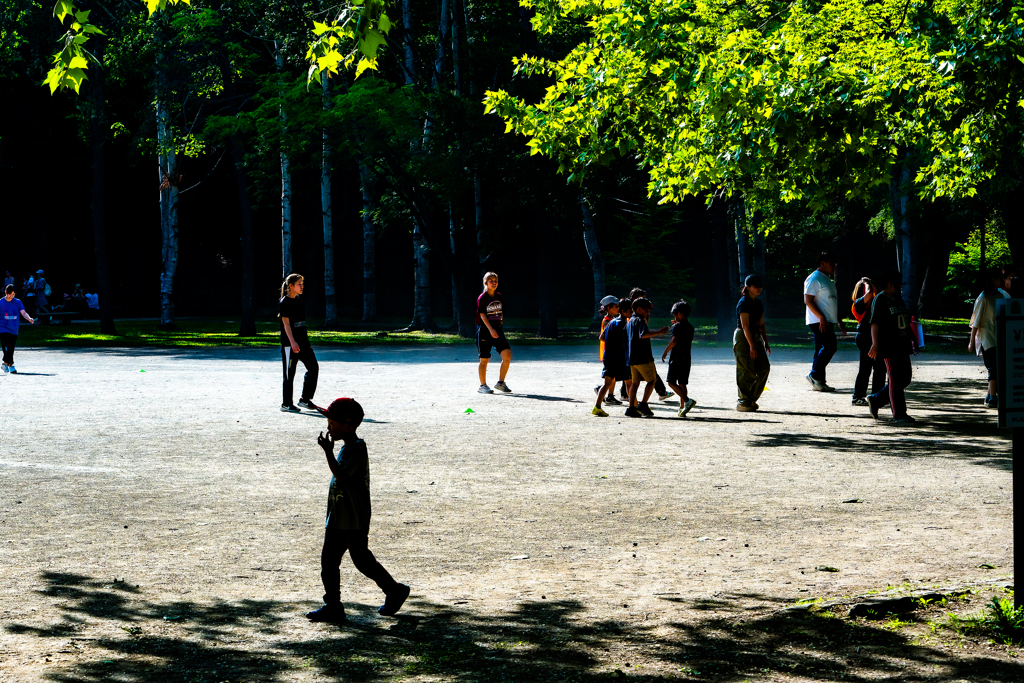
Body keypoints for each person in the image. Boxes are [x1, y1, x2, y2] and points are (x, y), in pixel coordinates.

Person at [305, 397, 410, 623]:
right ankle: (337, 604)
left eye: (332, 424)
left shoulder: (357, 448)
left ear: (347, 426)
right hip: (341, 518)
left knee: (353, 561)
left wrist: (327, 452)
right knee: (339, 562)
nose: (328, 428)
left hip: (351, 519)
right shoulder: (347, 448)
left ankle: (391, 591)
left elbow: (341, 476)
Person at [866, 271, 918, 423]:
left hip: (903, 344)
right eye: (898, 283)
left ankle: (876, 399)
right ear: (890, 284)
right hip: (889, 346)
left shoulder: (898, 298)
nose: (900, 286)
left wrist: (912, 338)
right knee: (895, 380)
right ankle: (899, 414)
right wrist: (875, 344)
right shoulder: (879, 299)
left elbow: (904, 320)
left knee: (905, 378)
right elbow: (874, 323)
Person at [969, 267, 1011, 408]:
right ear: (993, 279)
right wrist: (971, 342)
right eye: (999, 278)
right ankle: (993, 397)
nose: (1002, 281)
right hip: (987, 338)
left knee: (997, 367)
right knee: (993, 367)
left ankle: (989, 396)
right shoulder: (983, 298)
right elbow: (976, 323)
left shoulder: (1001, 295)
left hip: (999, 337)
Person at [803, 251, 845, 391]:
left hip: (827, 320)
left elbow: (832, 302)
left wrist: (839, 320)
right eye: (831, 263)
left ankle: (819, 382)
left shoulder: (827, 279)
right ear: (822, 263)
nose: (834, 266)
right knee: (830, 346)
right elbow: (808, 300)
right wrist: (821, 317)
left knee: (820, 349)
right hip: (818, 321)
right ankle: (814, 374)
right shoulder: (814, 278)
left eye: (835, 263)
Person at [279, 273, 319, 413]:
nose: (302, 286)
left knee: (313, 368)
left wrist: (305, 342)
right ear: (291, 286)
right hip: (290, 344)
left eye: (302, 284)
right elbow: (286, 325)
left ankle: (305, 399)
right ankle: (286, 404)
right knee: (289, 374)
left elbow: (301, 324)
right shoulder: (284, 303)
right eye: (299, 284)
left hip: (303, 343)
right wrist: (293, 342)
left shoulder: (299, 300)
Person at [625, 287, 673, 402]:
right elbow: (642, 335)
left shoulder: (630, 320)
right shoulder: (640, 320)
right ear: (639, 308)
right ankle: (644, 404)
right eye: (646, 310)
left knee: (635, 383)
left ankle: (632, 407)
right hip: (643, 357)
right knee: (652, 380)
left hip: (632, 357)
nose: (648, 312)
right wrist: (659, 332)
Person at [734, 275, 771, 411]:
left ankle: (750, 399)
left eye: (760, 286)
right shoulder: (743, 303)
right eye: (756, 286)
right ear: (748, 287)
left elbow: (761, 325)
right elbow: (745, 326)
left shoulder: (758, 303)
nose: (759, 288)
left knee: (764, 368)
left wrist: (765, 342)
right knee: (746, 370)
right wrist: (752, 346)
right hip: (743, 337)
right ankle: (743, 402)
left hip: (755, 336)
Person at [476, 272, 512, 394]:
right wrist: (491, 329)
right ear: (485, 283)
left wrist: (499, 325)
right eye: (491, 280)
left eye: (495, 280)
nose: (494, 282)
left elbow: (500, 312)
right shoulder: (482, 298)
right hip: (485, 330)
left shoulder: (499, 296)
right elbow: (482, 315)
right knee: (484, 359)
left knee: (507, 355)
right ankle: (482, 386)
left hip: (497, 329)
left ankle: (500, 383)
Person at [851, 278, 884, 406]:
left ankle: (876, 396)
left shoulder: (872, 304)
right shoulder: (858, 304)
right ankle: (857, 396)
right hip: (865, 338)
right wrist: (866, 283)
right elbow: (869, 293)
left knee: (879, 368)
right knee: (866, 369)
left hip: (873, 338)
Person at [594, 298, 630, 416]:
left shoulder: (611, 322)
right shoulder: (618, 323)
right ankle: (633, 406)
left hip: (609, 356)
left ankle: (598, 406)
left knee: (608, 382)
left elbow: (602, 337)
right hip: (618, 357)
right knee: (629, 382)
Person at [661, 300, 697, 417]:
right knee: (682, 383)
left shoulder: (676, 326)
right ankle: (682, 407)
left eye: (675, 315)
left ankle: (687, 400)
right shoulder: (690, 327)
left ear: (680, 314)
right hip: (686, 358)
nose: (675, 317)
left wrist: (665, 352)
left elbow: (674, 340)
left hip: (676, 358)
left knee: (671, 382)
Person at [1, 284, 35, 373]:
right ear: (5, 292)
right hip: (3, 327)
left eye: (13, 294)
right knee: (6, 345)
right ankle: (11, 365)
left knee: (11, 347)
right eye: (9, 294)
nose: (11, 296)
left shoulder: (18, 302)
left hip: (14, 328)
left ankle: (5, 363)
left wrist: (29, 318)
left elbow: (23, 313)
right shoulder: (1, 302)